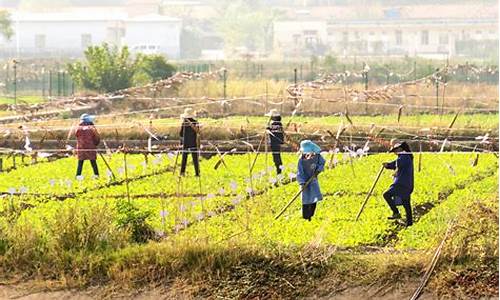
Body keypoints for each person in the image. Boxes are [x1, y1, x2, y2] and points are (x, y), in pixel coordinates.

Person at [382, 141, 414, 226]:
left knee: (386, 194)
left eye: (395, 151)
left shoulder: (404, 155)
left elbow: (397, 163)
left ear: (399, 149)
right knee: (406, 204)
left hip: (401, 183)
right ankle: (410, 223)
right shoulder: (405, 156)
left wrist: (389, 165)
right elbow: (396, 164)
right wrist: (388, 165)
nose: (395, 153)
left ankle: (396, 212)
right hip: (407, 184)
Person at [297, 140, 326, 221]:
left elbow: (322, 163)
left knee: (314, 197)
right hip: (305, 182)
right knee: (305, 199)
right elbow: (300, 171)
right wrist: (302, 182)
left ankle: (311, 215)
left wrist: (318, 171)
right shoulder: (301, 160)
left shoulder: (317, 157)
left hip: (313, 180)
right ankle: (306, 216)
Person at [75, 113, 100, 178]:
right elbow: (96, 137)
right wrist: (96, 143)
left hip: (81, 148)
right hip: (90, 148)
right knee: (93, 162)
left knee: (80, 162)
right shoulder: (92, 127)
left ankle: (78, 176)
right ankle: (96, 175)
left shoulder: (78, 128)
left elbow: (76, 136)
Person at [179, 107, 200, 177]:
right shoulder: (195, 122)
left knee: (184, 158)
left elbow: (181, 134)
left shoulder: (184, 123)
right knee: (195, 159)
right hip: (193, 142)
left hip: (186, 143)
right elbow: (198, 132)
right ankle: (197, 173)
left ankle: (182, 173)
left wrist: (181, 142)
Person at [266, 109, 285, 174]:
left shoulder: (274, 124)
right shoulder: (279, 123)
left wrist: (267, 128)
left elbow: (272, 131)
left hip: (274, 143)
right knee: (277, 155)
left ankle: (279, 170)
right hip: (277, 142)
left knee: (276, 156)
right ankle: (279, 169)